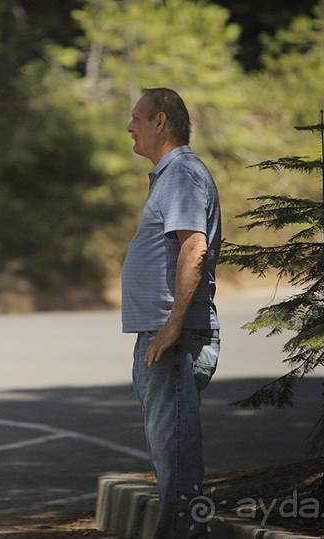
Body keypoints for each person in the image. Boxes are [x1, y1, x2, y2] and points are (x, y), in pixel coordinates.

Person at [121, 88, 221, 539]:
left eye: (137, 118)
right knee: (169, 456)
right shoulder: (171, 175)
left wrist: (172, 326)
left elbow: (194, 246)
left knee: (176, 459)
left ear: (161, 122)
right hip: (162, 334)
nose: (130, 127)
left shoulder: (181, 173)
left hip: (173, 337)